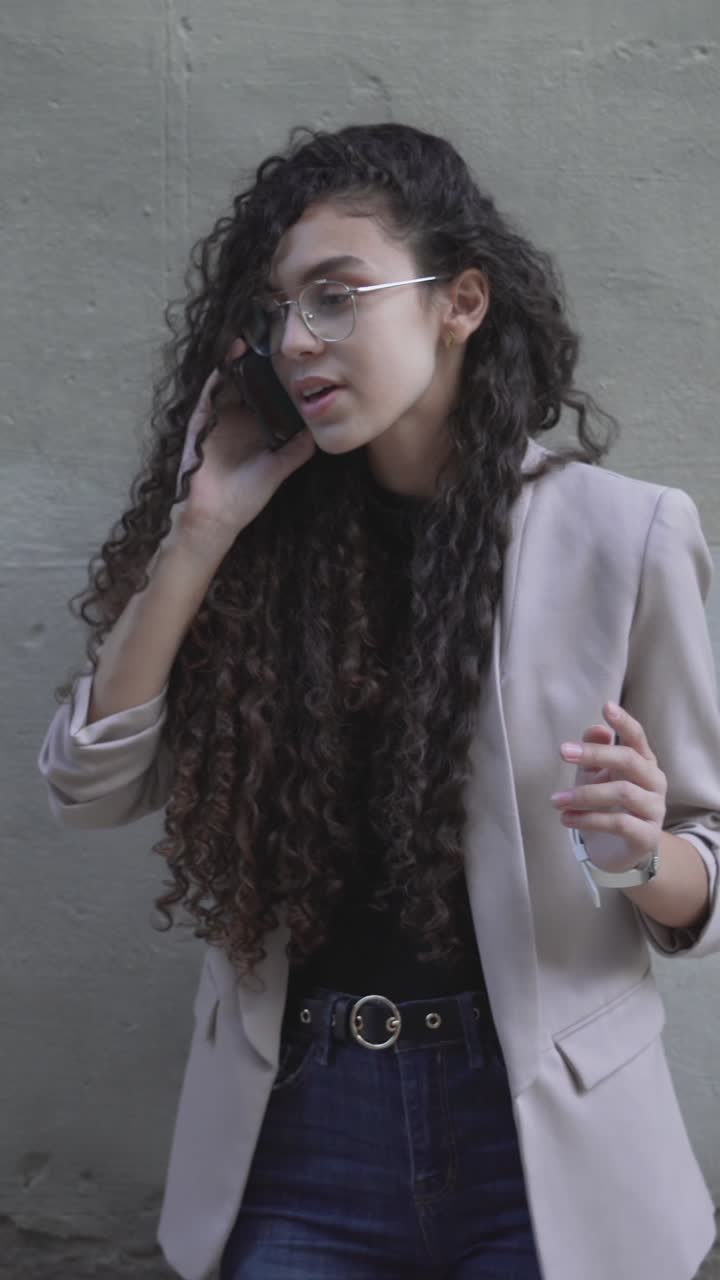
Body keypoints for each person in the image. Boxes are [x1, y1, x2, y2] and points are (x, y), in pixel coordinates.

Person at [38, 123, 720, 1280]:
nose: (296, 340)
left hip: (541, 1139)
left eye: (337, 297)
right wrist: (202, 529)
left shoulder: (626, 533)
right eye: (276, 310)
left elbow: (701, 863)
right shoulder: (262, 542)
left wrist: (638, 847)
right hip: (301, 1127)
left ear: (461, 302)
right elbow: (86, 787)